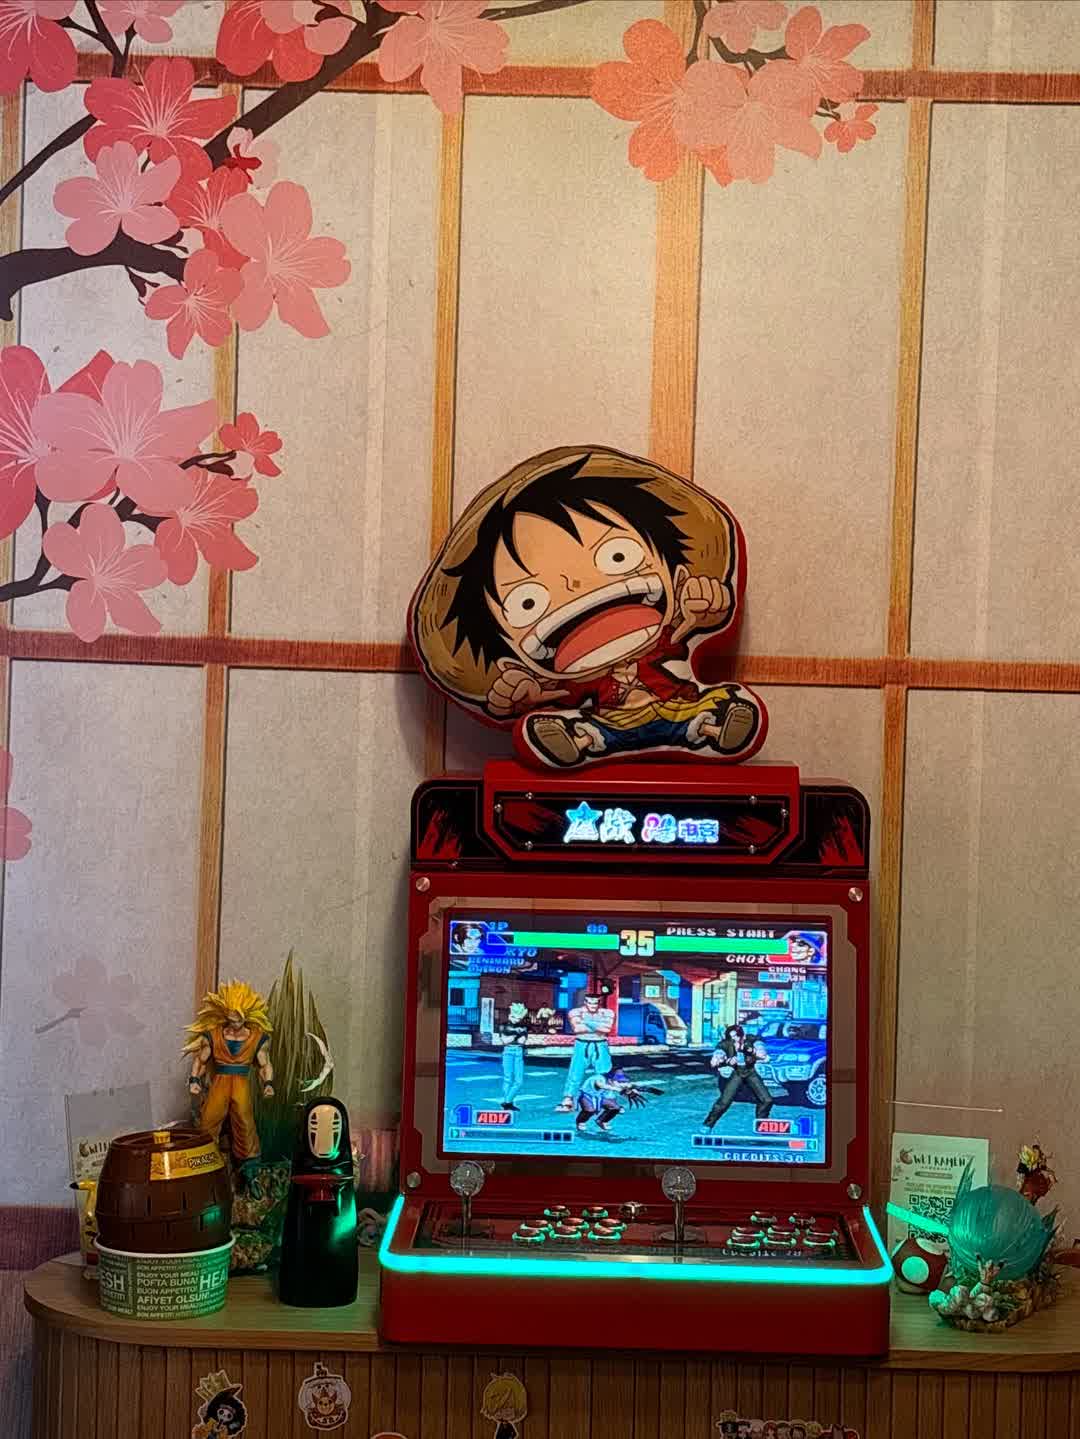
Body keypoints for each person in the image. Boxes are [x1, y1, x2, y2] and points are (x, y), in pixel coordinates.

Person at [410, 446, 766, 769]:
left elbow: (700, 618)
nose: (575, 586)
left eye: (617, 556)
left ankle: (717, 724)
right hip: (606, 723)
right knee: (590, 730)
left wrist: (706, 606)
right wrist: (517, 696)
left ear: (675, 571)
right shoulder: (564, 679)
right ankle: (577, 740)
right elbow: (528, 693)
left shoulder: (670, 631)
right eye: (528, 602)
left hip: (680, 705)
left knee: (710, 708)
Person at [184, 981, 273, 1164]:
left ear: (246, 1016)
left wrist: (268, 1084)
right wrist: (194, 1080)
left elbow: (265, 1065)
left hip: (241, 1084)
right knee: (208, 1120)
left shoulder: (257, 1038)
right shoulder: (214, 1035)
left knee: (245, 1123)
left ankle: (249, 1167)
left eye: (238, 1020)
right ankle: (206, 1161)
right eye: (231, 1019)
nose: (234, 1024)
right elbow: (201, 1060)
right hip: (220, 1083)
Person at [702, 1023, 773, 1129]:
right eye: (731, 1037)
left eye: (736, 1036)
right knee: (724, 1102)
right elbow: (717, 1056)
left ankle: (761, 1125)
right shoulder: (726, 1044)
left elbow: (762, 1053)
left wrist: (753, 1051)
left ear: (742, 1035)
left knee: (767, 1100)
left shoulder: (751, 1040)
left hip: (750, 1072)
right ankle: (707, 1125)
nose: (734, 1040)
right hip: (737, 1073)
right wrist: (721, 1059)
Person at [555, 992, 615, 1112]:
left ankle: (609, 1101)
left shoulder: (607, 1012)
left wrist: (585, 1022)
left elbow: (606, 1029)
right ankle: (568, 1099)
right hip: (582, 1044)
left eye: (595, 1003)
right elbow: (578, 1029)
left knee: (604, 1073)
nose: (593, 1005)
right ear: (585, 1002)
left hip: (601, 1045)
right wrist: (598, 1026)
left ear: (599, 1003)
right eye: (590, 1002)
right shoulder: (575, 1012)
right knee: (575, 1072)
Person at [575, 1069, 646, 1134]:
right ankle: (581, 1122)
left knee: (616, 1108)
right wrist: (620, 1090)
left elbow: (622, 1086)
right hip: (587, 1096)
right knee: (590, 1110)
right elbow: (602, 1085)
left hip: (600, 1097)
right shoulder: (599, 1079)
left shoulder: (611, 1082)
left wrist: (632, 1089)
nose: (620, 1082)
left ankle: (602, 1121)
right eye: (618, 1080)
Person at [496, 1001, 531, 1110]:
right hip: (508, 1051)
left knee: (519, 1081)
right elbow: (505, 1041)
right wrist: (516, 1034)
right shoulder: (503, 1026)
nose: (516, 1020)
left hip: (518, 1051)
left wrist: (514, 1036)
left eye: (519, 1018)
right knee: (508, 1079)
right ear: (510, 1015)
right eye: (514, 1017)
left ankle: (507, 1101)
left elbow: (522, 1041)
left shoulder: (523, 1027)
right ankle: (508, 1103)